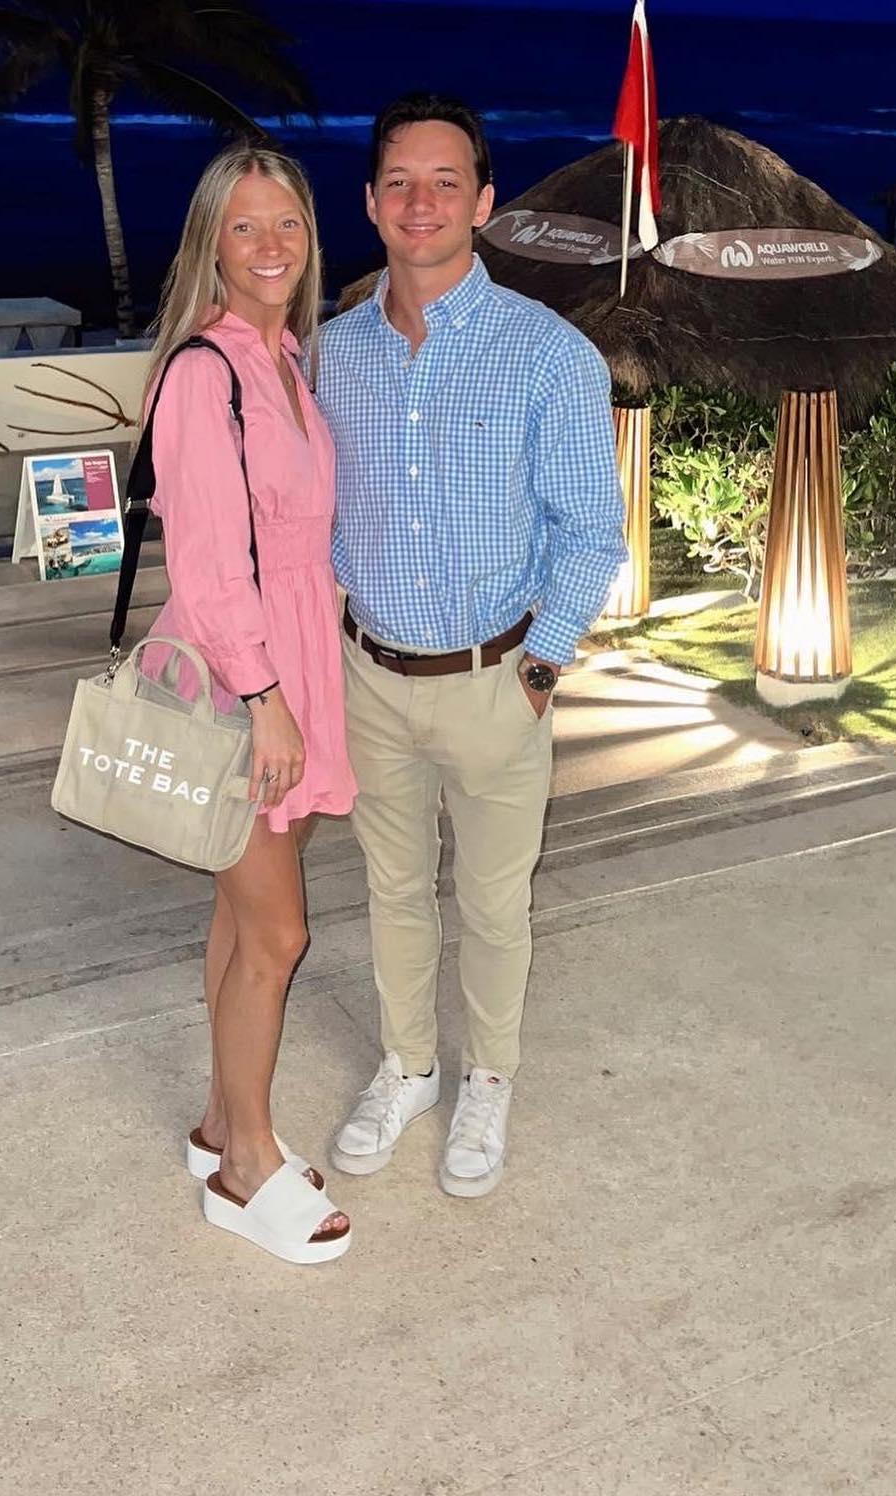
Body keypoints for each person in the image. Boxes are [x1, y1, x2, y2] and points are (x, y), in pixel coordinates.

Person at [314, 93, 626, 1198]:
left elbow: (593, 532)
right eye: (400, 181)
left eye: (446, 182)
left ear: (483, 202)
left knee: (495, 906)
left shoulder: (548, 355)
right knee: (392, 891)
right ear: (369, 202)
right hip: (370, 673)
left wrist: (538, 672)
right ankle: (409, 1066)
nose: (422, 202)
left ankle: (488, 1079)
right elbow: (318, 513)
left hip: (498, 679)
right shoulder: (331, 355)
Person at [141, 142, 358, 1264]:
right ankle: (247, 1168)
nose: (271, 245)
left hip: (294, 669)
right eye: (245, 226)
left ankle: (222, 1122)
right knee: (280, 931)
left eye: (288, 224)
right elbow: (210, 562)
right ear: (211, 245)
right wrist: (266, 697)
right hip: (245, 681)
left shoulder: (287, 361)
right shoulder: (204, 371)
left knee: (240, 917)